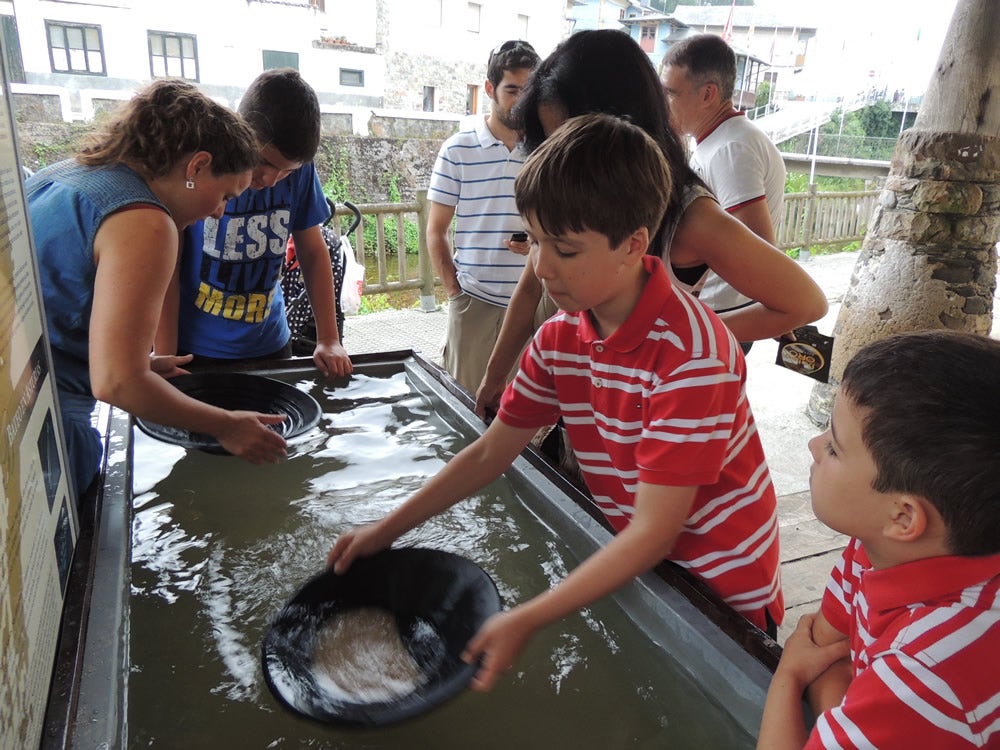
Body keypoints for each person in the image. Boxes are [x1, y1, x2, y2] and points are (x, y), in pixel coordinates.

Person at [329, 114, 784, 693]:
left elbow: (655, 533)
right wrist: (385, 529)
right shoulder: (562, 337)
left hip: (722, 587)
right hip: (641, 561)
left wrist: (528, 615)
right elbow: (490, 453)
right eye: (535, 240)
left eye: (565, 249)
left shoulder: (691, 356)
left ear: (634, 245)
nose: (541, 267)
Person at [475, 29, 825, 417]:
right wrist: (494, 375)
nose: (561, 160)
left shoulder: (688, 215)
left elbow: (804, 302)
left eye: (572, 138)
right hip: (586, 404)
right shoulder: (573, 200)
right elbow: (529, 287)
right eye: (551, 141)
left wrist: (682, 337)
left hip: (650, 416)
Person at [24, 79, 288, 500]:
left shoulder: (67, 172)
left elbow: (57, 305)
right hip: (47, 425)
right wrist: (226, 424)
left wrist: (138, 365)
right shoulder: (147, 222)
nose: (219, 212)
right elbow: (116, 384)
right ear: (197, 166)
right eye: (224, 195)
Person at [757, 330, 1000, 750]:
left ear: (904, 517)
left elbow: (816, 656)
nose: (814, 446)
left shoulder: (925, 672)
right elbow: (831, 643)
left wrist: (788, 676)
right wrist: (851, 702)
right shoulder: (877, 549)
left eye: (834, 447)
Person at [156, 68, 352, 378]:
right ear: (240, 132)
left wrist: (329, 339)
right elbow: (169, 269)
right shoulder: (202, 169)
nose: (272, 180)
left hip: (271, 343)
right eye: (265, 163)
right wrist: (166, 354)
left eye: (287, 172)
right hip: (196, 348)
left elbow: (313, 253)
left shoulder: (299, 172)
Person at [426, 39, 541, 393]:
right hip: (474, 301)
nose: (521, 100)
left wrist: (538, 243)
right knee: (464, 405)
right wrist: (455, 293)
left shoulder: (544, 148)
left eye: (529, 90)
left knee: (524, 414)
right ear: (489, 88)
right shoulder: (458, 148)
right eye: (512, 90)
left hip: (535, 300)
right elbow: (436, 230)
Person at [660, 33, 788, 317]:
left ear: (708, 94)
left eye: (671, 93)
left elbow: (760, 250)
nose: (663, 104)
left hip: (723, 313)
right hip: (715, 309)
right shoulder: (723, 141)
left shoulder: (731, 149)